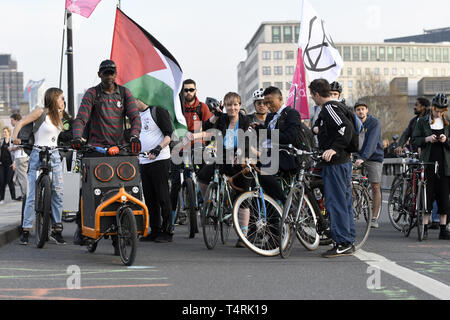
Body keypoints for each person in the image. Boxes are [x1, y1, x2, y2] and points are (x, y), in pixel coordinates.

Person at [71, 59, 142, 253]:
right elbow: (81, 117)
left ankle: (123, 229)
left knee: (125, 187)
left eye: (111, 72)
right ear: (100, 74)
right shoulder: (92, 93)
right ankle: (81, 226)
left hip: (119, 148)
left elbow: (135, 117)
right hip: (96, 149)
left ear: (115, 74)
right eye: (105, 73)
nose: (108, 76)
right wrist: (77, 136)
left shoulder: (125, 93)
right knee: (88, 190)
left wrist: (134, 135)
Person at [11, 88, 67, 245]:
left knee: (58, 192)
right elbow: (21, 122)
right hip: (37, 153)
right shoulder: (40, 112)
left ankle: (57, 228)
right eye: (61, 98)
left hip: (54, 154)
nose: (63, 101)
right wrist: (14, 137)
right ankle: (26, 230)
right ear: (53, 98)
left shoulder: (60, 115)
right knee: (31, 195)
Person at [197, 92, 252, 247]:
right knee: (202, 176)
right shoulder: (222, 119)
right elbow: (206, 127)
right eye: (229, 105)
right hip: (222, 158)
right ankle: (210, 202)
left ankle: (243, 235)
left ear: (239, 106)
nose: (232, 108)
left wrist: (241, 154)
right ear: (225, 106)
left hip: (239, 160)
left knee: (243, 195)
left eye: (235, 105)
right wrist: (215, 115)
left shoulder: (246, 120)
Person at [309, 79, 355, 258]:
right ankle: (347, 239)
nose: (313, 99)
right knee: (344, 202)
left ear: (317, 94)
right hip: (342, 162)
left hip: (336, 162)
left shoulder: (329, 108)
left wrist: (333, 148)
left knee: (335, 203)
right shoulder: (338, 107)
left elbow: (346, 128)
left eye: (312, 95)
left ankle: (343, 242)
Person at [170, 79, 212, 231]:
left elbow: (210, 129)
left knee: (203, 177)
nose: (188, 92)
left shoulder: (202, 108)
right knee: (175, 183)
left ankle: (207, 206)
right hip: (179, 148)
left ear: (196, 90)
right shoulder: (177, 108)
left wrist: (202, 138)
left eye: (191, 90)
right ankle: (172, 217)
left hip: (197, 147)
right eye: (186, 90)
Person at [411, 93, 450, 240]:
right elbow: (414, 140)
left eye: (441, 111)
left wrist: (446, 140)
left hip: (444, 165)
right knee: (427, 195)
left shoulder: (448, 123)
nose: (438, 113)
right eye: (436, 110)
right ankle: (425, 227)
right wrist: (427, 139)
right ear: (432, 108)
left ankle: (443, 228)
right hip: (427, 164)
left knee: (444, 196)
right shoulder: (422, 122)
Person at [136, 100, 174, 243]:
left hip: (159, 160)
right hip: (144, 161)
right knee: (150, 198)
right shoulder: (136, 116)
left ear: (140, 98)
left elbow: (169, 135)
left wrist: (158, 148)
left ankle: (167, 231)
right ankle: (155, 229)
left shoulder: (157, 111)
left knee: (163, 196)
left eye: (133, 99)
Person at [353, 102, 384, 228]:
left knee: (375, 186)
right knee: (348, 181)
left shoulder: (374, 123)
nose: (360, 112)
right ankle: (354, 205)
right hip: (357, 156)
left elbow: (372, 142)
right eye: (358, 109)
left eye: (363, 109)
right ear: (355, 111)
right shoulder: (353, 122)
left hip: (373, 156)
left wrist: (363, 157)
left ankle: (374, 217)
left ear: (367, 110)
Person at [9, 114, 29, 202]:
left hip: (21, 156)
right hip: (24, 156)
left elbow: (21, 144)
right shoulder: (24, 128)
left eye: (12, 120)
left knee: (23, 178)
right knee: (23, 178)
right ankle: (25, 195)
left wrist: (12, 148)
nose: (11, 122)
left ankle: (26, 196)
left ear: (16, 120)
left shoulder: (18, 129)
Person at [0, 127, 17, 204]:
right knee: (2, 181)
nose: (4, 133)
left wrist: (14, 163)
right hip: (2, 165)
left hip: (10, 164)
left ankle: (13, 197)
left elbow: (15, 153)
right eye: (3, 132)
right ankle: (1, 199)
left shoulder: (12, 141)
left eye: (5, 132)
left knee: (10, 180)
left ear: (9, 133)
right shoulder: (1, 141)